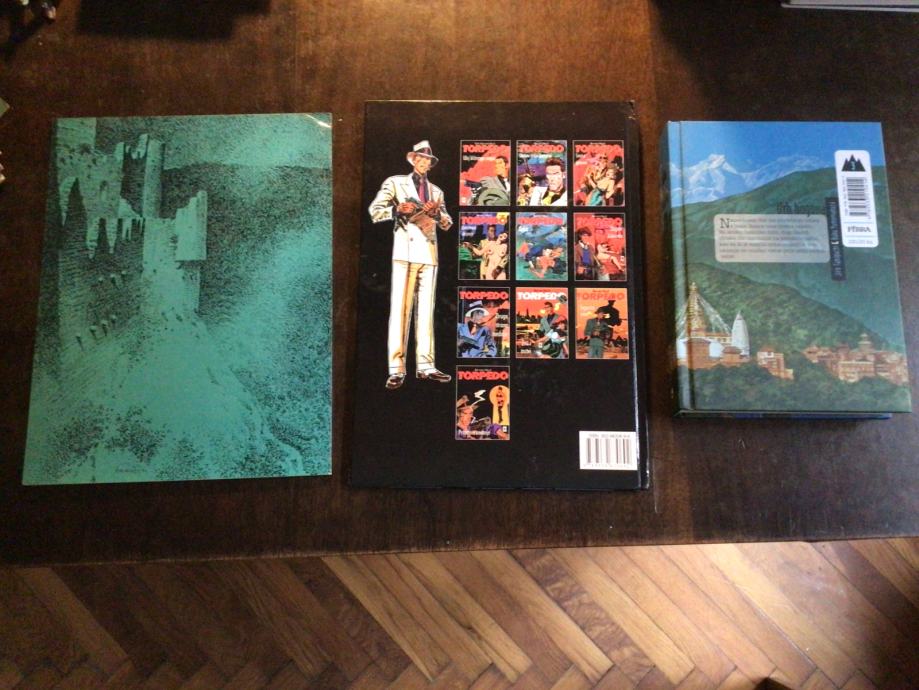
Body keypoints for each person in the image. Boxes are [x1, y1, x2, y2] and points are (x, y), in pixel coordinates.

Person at [369, 140, 453, 390]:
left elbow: (447, 223)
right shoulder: (395, 182)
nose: (425, 163)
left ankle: (426, 366)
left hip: (428, 254)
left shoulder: (436, 191)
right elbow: (375, 210)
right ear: (413, 160)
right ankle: (396, 369)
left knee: (426, 312)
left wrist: (437, 214)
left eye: (428, 160)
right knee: (400, 311)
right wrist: (397, 210)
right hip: (405, 252)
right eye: (421, 158)